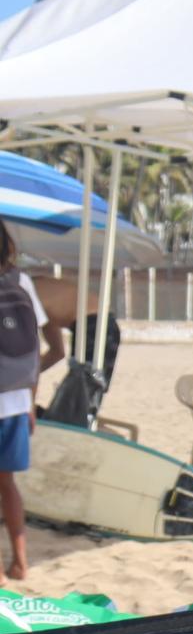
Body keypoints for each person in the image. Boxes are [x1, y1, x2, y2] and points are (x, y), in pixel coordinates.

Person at [0, 219, 50, 581]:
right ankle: (20, 562)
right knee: (8, 482)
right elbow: (33, 348)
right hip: (17, 399)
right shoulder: (23, 282)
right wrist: (31, 402)